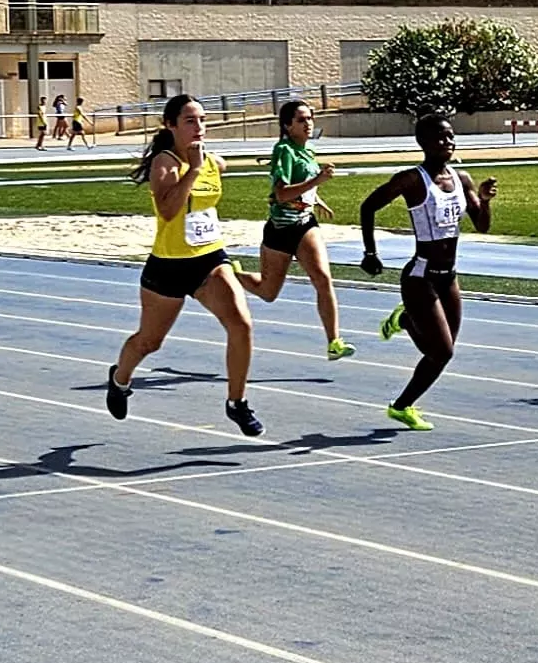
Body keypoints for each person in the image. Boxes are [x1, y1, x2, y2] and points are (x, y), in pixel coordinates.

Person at [105, 93, 264, 436]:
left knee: (241, 325)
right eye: (190, 121)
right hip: (169, 266)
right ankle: (119, 380)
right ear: (170, 125)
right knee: (149, 342)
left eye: (202, 120)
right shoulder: (165, 163)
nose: (199, 127)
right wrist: (192, 169)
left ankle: (236, 403)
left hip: (209, 259)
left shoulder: (212, 160)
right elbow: (167, 211)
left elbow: (222, 168)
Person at [359, 111, 497, 431]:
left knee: (441, 353)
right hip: (420, 277)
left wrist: (486, 201)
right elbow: (369, 206)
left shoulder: (462, 180)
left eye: (450, 136)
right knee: (442, 351)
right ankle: (401, 404)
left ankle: (405, 322)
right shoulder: (412, 179)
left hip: (448, 277)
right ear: (422, 142)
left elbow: (483, 226)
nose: (447, 142)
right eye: (439, 137)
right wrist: (370, 253)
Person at [238, 100, 356, 360]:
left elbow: (304, 188)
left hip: (304, 224)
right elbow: (280, 194)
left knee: (323, 280)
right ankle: (232, 275)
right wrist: (318, 180)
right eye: (301, 119)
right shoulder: (284, 151)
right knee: (268, 292)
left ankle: (333, 342)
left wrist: (317, 199)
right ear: (287, 125)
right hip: (281, 229)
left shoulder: (308, 150)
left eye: (310, 118)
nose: (308, 123)